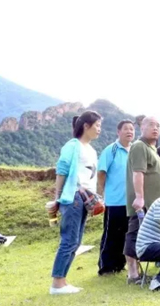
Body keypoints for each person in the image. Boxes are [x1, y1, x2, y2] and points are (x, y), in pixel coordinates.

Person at [47, 111, 103, 294]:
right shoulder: (73, 145)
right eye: (97, 125)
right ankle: (57, 283)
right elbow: (61, 170)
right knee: (69, 240)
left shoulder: (92, 150)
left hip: (85, 198)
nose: (99, 130)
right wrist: (57, 198)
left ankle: (62, 281)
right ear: (85, 126)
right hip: (73, 197)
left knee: (76, 241)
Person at [124, 116, 160, 284]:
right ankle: (132, 274)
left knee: (147, 236)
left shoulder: (151, 148)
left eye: (158, 125)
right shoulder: (139, 146)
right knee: (135, 234)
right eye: (151, 125)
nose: (155, 128)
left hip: (154, 203)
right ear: (142, 127)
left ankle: (140, 273)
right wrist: (140, 197)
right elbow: (138, 173)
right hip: (143, 203)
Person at [96, 119, 134, 275]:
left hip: (130, 202)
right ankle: (106, 267)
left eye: (132, 129)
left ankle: (120, 264)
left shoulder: (134, 150)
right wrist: (103, 192)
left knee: (126, 235)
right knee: (111, 235)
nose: (129, 131)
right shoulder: (111, 150)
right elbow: (101, 173)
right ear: (118, 132)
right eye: (125, 129)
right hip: (114, 201)